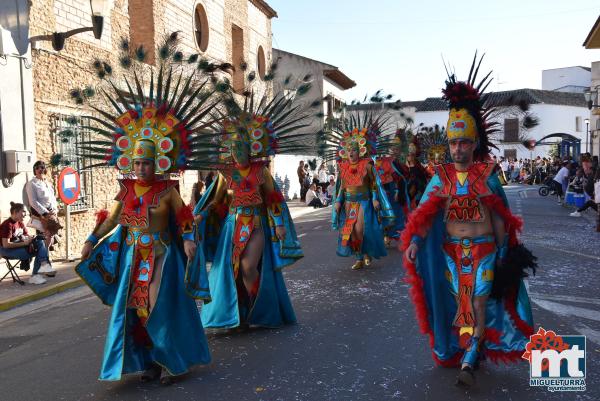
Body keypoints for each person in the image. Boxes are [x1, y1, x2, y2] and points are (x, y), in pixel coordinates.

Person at [73, 34, 217, 383]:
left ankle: (171, 361)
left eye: (146, 163)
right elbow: (112, 219)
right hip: (132, 256)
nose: (140, 168)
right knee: (135, 311)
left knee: (156, 306)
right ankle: (150, 360)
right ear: (130, 162)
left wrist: (187, 240)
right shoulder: (125, 190)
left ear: (158, 162)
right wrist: (92, 238)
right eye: (136, 163)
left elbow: (183, 219)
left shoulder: (168, 191)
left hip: (162, 255)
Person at [400, 57, 536, 387]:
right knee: (463, 308)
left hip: (484, 251)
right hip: (451, 253)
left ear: (474, 144)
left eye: (463, 143)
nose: (458, 149)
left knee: (476, 303)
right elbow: (425, 214)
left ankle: (471, 358)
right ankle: (471, 348)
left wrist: (505, 254)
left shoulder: (488, 176)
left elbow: (501, 218)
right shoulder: (440, 178)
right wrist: (415, 243)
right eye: (453, 143)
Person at [193, 76, 312, 331]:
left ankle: (258, 306)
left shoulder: (262, 173)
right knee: (230, 272)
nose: (237, 153)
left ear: (250, 148)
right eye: (233, 149)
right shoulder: (228, 175)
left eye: (241, 148)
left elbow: (274, 200)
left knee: (248, 266)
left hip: (256, 224)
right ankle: (240, 315)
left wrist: (279, 225)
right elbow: (216, 200)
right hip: (232, 226)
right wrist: (202, 215)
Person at [319, 103, 395, 270]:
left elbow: (375, 185)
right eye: (348, 150)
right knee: (351, 231)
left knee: (362, 229)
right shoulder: (343, 167)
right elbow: (341, 187)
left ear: (360, 151)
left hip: (364, 202)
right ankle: (359, 257)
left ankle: (366, 253)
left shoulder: (368, 166)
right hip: (348, 201)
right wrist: (338, 201)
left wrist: (375, 199)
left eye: (354, 150)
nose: (351, 153)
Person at [0, 202, 52, 285]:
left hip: (18, 248)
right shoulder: (7, 225)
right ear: (15, 212)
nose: (25, 214)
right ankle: (39, 271)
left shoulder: (20, 223)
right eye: (23, 211)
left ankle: (41, 267)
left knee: (40, 242)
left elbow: (26, 235)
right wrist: (24, 243)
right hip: (6, 251)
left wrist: (31, 238)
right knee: (40, 250)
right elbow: (6, 245)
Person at [26, 161, 62, 255]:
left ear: (45, 169)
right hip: (41, 215)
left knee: (50, 237)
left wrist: (54, 210)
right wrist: (45, 213)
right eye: (37, 168)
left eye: (42, 167)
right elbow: (33, 202)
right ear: (34, 170)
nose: (40, 169)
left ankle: (45, 260)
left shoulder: (47, 183)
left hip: (51, 214)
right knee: (44, 238)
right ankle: (43, 261)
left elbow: (53, 198)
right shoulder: (31, 184)